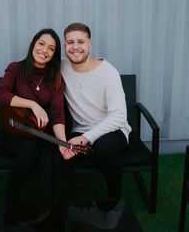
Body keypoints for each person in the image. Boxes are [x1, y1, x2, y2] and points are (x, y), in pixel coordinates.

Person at [55, 22, 132, 210]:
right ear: (64, 47)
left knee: (104, 146)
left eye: (81, 41)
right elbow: (34, 66)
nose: (75, 47)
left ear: (89, 45)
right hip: (80, 131)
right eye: (70, 42)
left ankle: (114, 199)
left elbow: (119, 117)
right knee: (59, 154)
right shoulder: (62, 67)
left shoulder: (108, 73)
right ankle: (65, 207)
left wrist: (86, 138)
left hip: (112, 130)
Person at [0, 28, 66, 213]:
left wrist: (63, 141)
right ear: (34, 44)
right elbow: (0, 94)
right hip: (14, 129)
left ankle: (51, 208)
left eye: (51, 48)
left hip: (39, 132)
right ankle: (12, 198)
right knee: (28, 153)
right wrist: (33, 104)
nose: (44, 50)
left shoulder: (56, 77)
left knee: (49, 154)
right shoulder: (16, 68)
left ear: (54, 54)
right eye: (41, 43)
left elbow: (57, 112)